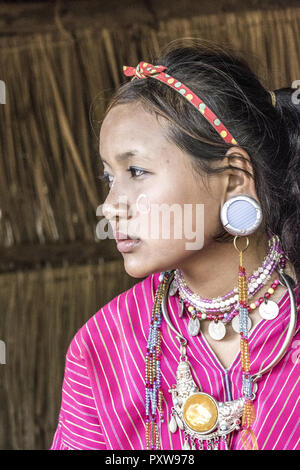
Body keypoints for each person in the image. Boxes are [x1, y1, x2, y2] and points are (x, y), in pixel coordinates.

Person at [50, 39, 300, 450]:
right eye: (109, 177)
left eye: (136, 170)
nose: (111, 205)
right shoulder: (102, 346)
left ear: (235, 178)